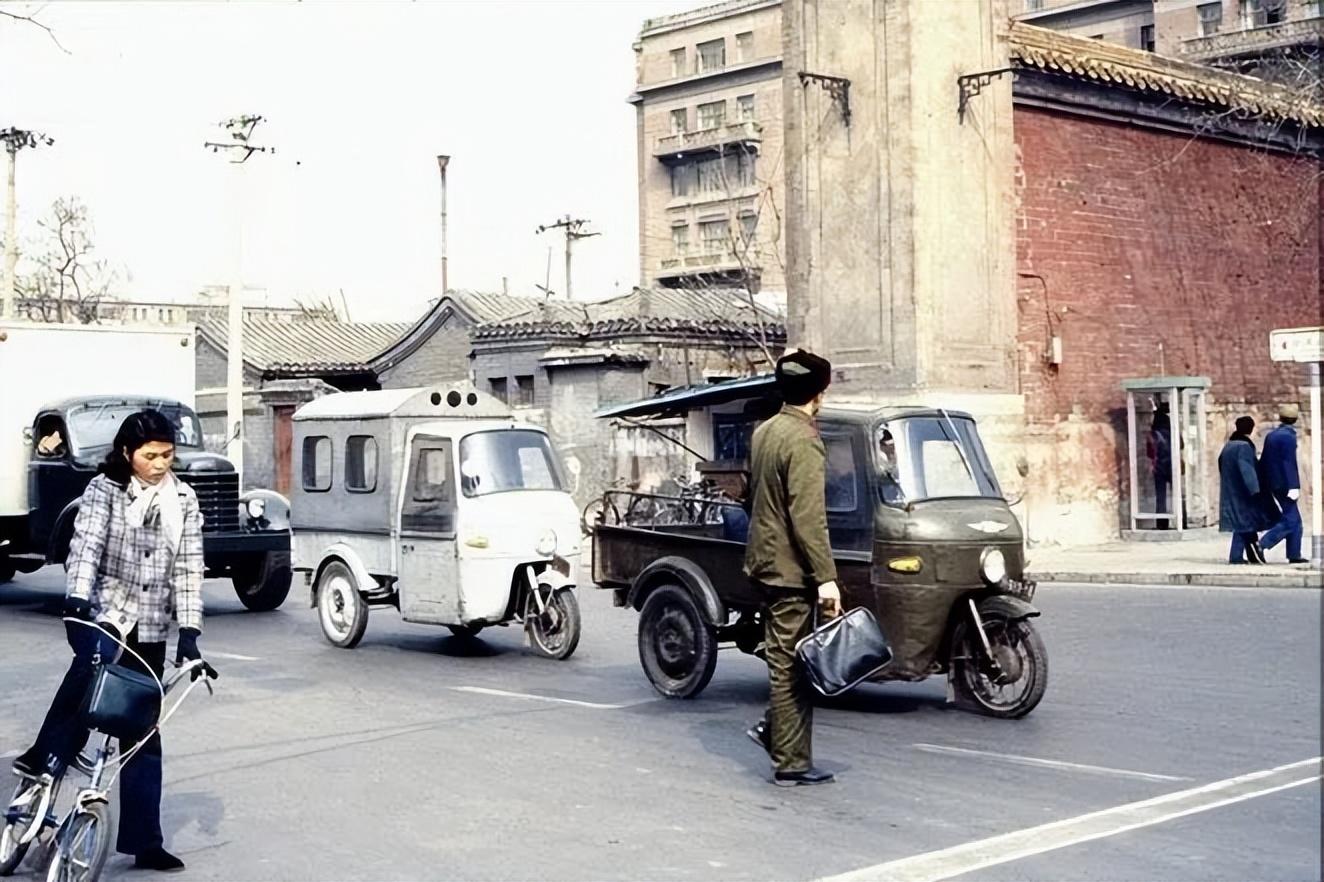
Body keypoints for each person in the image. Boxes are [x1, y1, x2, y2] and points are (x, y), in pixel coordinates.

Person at [11, 409, 215, 873]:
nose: (161, 463)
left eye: (167, 455)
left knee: (141, 727)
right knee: (92, 690)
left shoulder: (183, 499)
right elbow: (86, 547)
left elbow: (187, 567)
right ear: (127, 453)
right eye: (150, 455)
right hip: (101, 613)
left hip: (149, 625)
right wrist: (79, 598)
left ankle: (146, 841)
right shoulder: (104, 491)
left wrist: (189, 633)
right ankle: (46, 759)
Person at [742, 349, 840, 787]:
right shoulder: (802, 439)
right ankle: (791, 761)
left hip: (765, 561)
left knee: (789, 658)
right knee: (788, 663)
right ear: (820, 394)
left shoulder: (765, 432)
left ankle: (775, 731)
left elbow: (755, 498)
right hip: (790, 570)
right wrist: (827, 578)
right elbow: (808, 517)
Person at [1260, 404, 1307, 564]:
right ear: (1294, 419)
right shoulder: (1288, 437)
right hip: (1285, 484)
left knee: (1295, 520)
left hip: (1273, 482)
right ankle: (1263, 544)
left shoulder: (1271, 435)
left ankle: (1294, 554)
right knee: (1291, 520)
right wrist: (1294, 485)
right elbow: (1288, 462)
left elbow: (1264, 460)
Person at [1218, 416, 1267, 564]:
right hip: (1242, 491)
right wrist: (1255, 489)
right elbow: (1247, 470)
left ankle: (1251, 554)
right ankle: (1236, 556)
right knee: (1243, 523)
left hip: (1230, 488)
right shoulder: (1244, 447)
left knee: (1244, 523)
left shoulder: (1229, 445)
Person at [1147, 403, 1173, 529]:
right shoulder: (1172, 431)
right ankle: (1182, 519)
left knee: (1160, 496)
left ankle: (1162, 523)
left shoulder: (1154, 435)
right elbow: (1181, 445)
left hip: (1159, 466)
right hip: (1173, 465)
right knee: (1178, 495)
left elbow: (1149, 452)